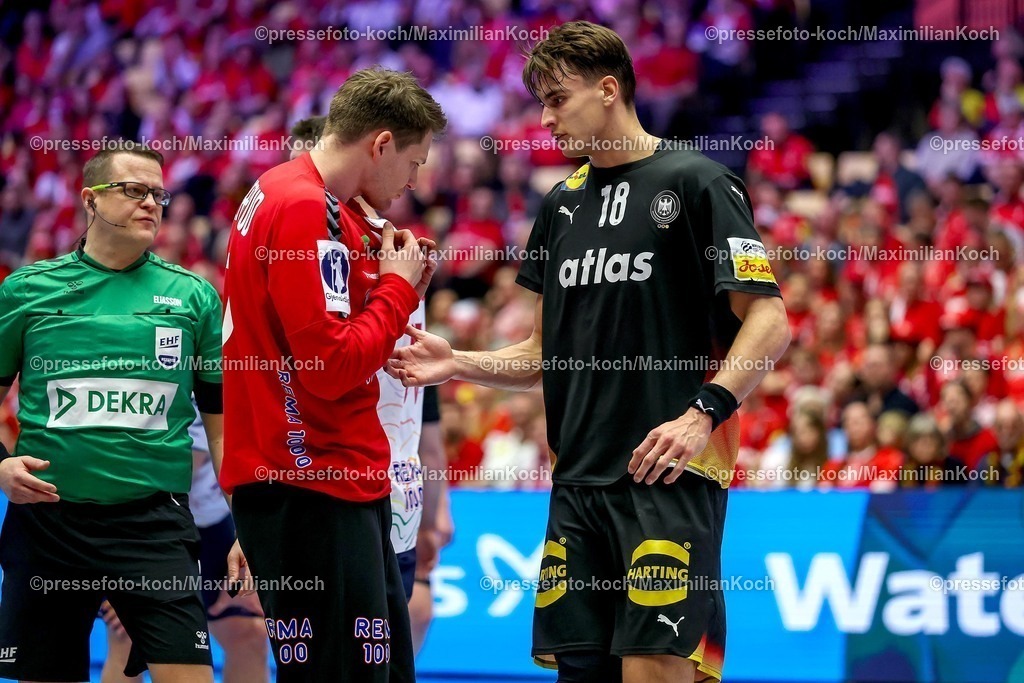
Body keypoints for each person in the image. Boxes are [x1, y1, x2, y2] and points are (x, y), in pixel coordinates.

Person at [388, 21, 790, 683]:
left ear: (609, 90)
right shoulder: (560, 206)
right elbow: (545, 352)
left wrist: (702, 413)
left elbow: (770, 318)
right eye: (540, 102)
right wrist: (458, 360)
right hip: (576, 487)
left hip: (668, 480)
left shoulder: (700, 183)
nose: (545, 118)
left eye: (558, 99)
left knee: (655, 669)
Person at [219, 67, 446, 682]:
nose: (414, 181)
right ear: (379, 144)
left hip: (310, 479)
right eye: (414, 162)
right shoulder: (303, 209)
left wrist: (387, 277)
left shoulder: (285, 191)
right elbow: (332, 366)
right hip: (314, 481)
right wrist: (397, 287)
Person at [0, 145, 227, 683]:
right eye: (133, 190)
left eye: (158, 193)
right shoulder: (26, 291)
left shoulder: (192, 296)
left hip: (153, 525)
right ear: (90, 200)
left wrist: (250, 523)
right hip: (48, 522)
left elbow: (223, 425)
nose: (150, 203)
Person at [101, 408, 270, 683]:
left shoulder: (249, 377)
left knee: (249, 633)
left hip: (216, 527)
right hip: (147, 525)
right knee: (128, 635)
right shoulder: (189, 376)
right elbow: (185, 468)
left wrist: (252, 548)